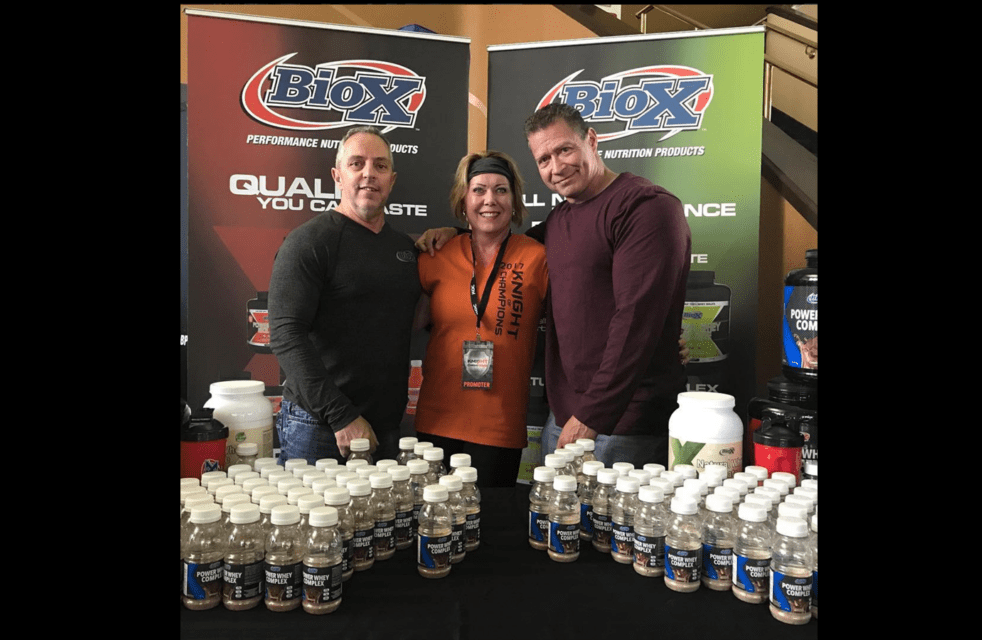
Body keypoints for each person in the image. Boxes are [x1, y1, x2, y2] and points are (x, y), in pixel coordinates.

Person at [419, 103, 691, 468]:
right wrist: (453, 235)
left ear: (591, 140)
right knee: (554, 523)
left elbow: (637, 320)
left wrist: (593, 415)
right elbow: (497, 244)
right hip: (563, 419)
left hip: (623, 424)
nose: (556, 167)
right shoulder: (559, 220)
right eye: (544, 158)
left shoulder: (644, 207)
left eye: (564, 150)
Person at [268, 126, 422, 465]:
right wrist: (342, 416)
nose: (369, 173)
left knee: (374, 519)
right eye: (357, 164)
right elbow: (284, 334)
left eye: (380, 166)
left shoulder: (405, 249)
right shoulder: (309, 241)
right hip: (321, 426)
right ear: (338, 176)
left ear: (392, 180)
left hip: (385, 427)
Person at [413, 151, 547, 487]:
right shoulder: (435, 253)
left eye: (501, 190)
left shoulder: (537, 257)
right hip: (437, 420)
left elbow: (582, 315)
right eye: (479, 190)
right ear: (463, 198)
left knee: (489, 531)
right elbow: (398, 319)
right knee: (438, 527)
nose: (490, 200)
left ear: (515, 200)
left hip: (499, 427)